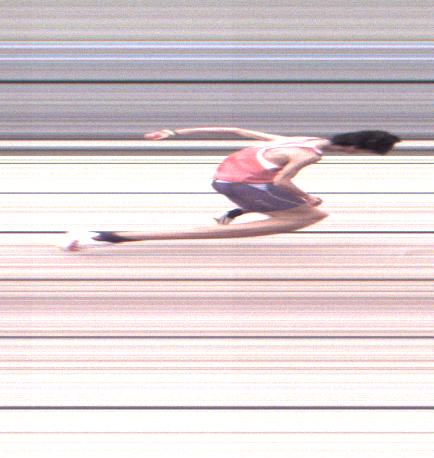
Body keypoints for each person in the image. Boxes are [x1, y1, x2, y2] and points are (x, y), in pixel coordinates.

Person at [61, 127, 400, 251]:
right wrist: (306, 197)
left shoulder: (305, 139)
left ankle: (239, 208)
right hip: (242, 185)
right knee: (311, 214)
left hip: (225, 178)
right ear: (354, 148)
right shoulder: (309, 154)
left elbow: (236, 130)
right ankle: (107, 236)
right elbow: (282, 181)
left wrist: (174, 133)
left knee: (295, 206)